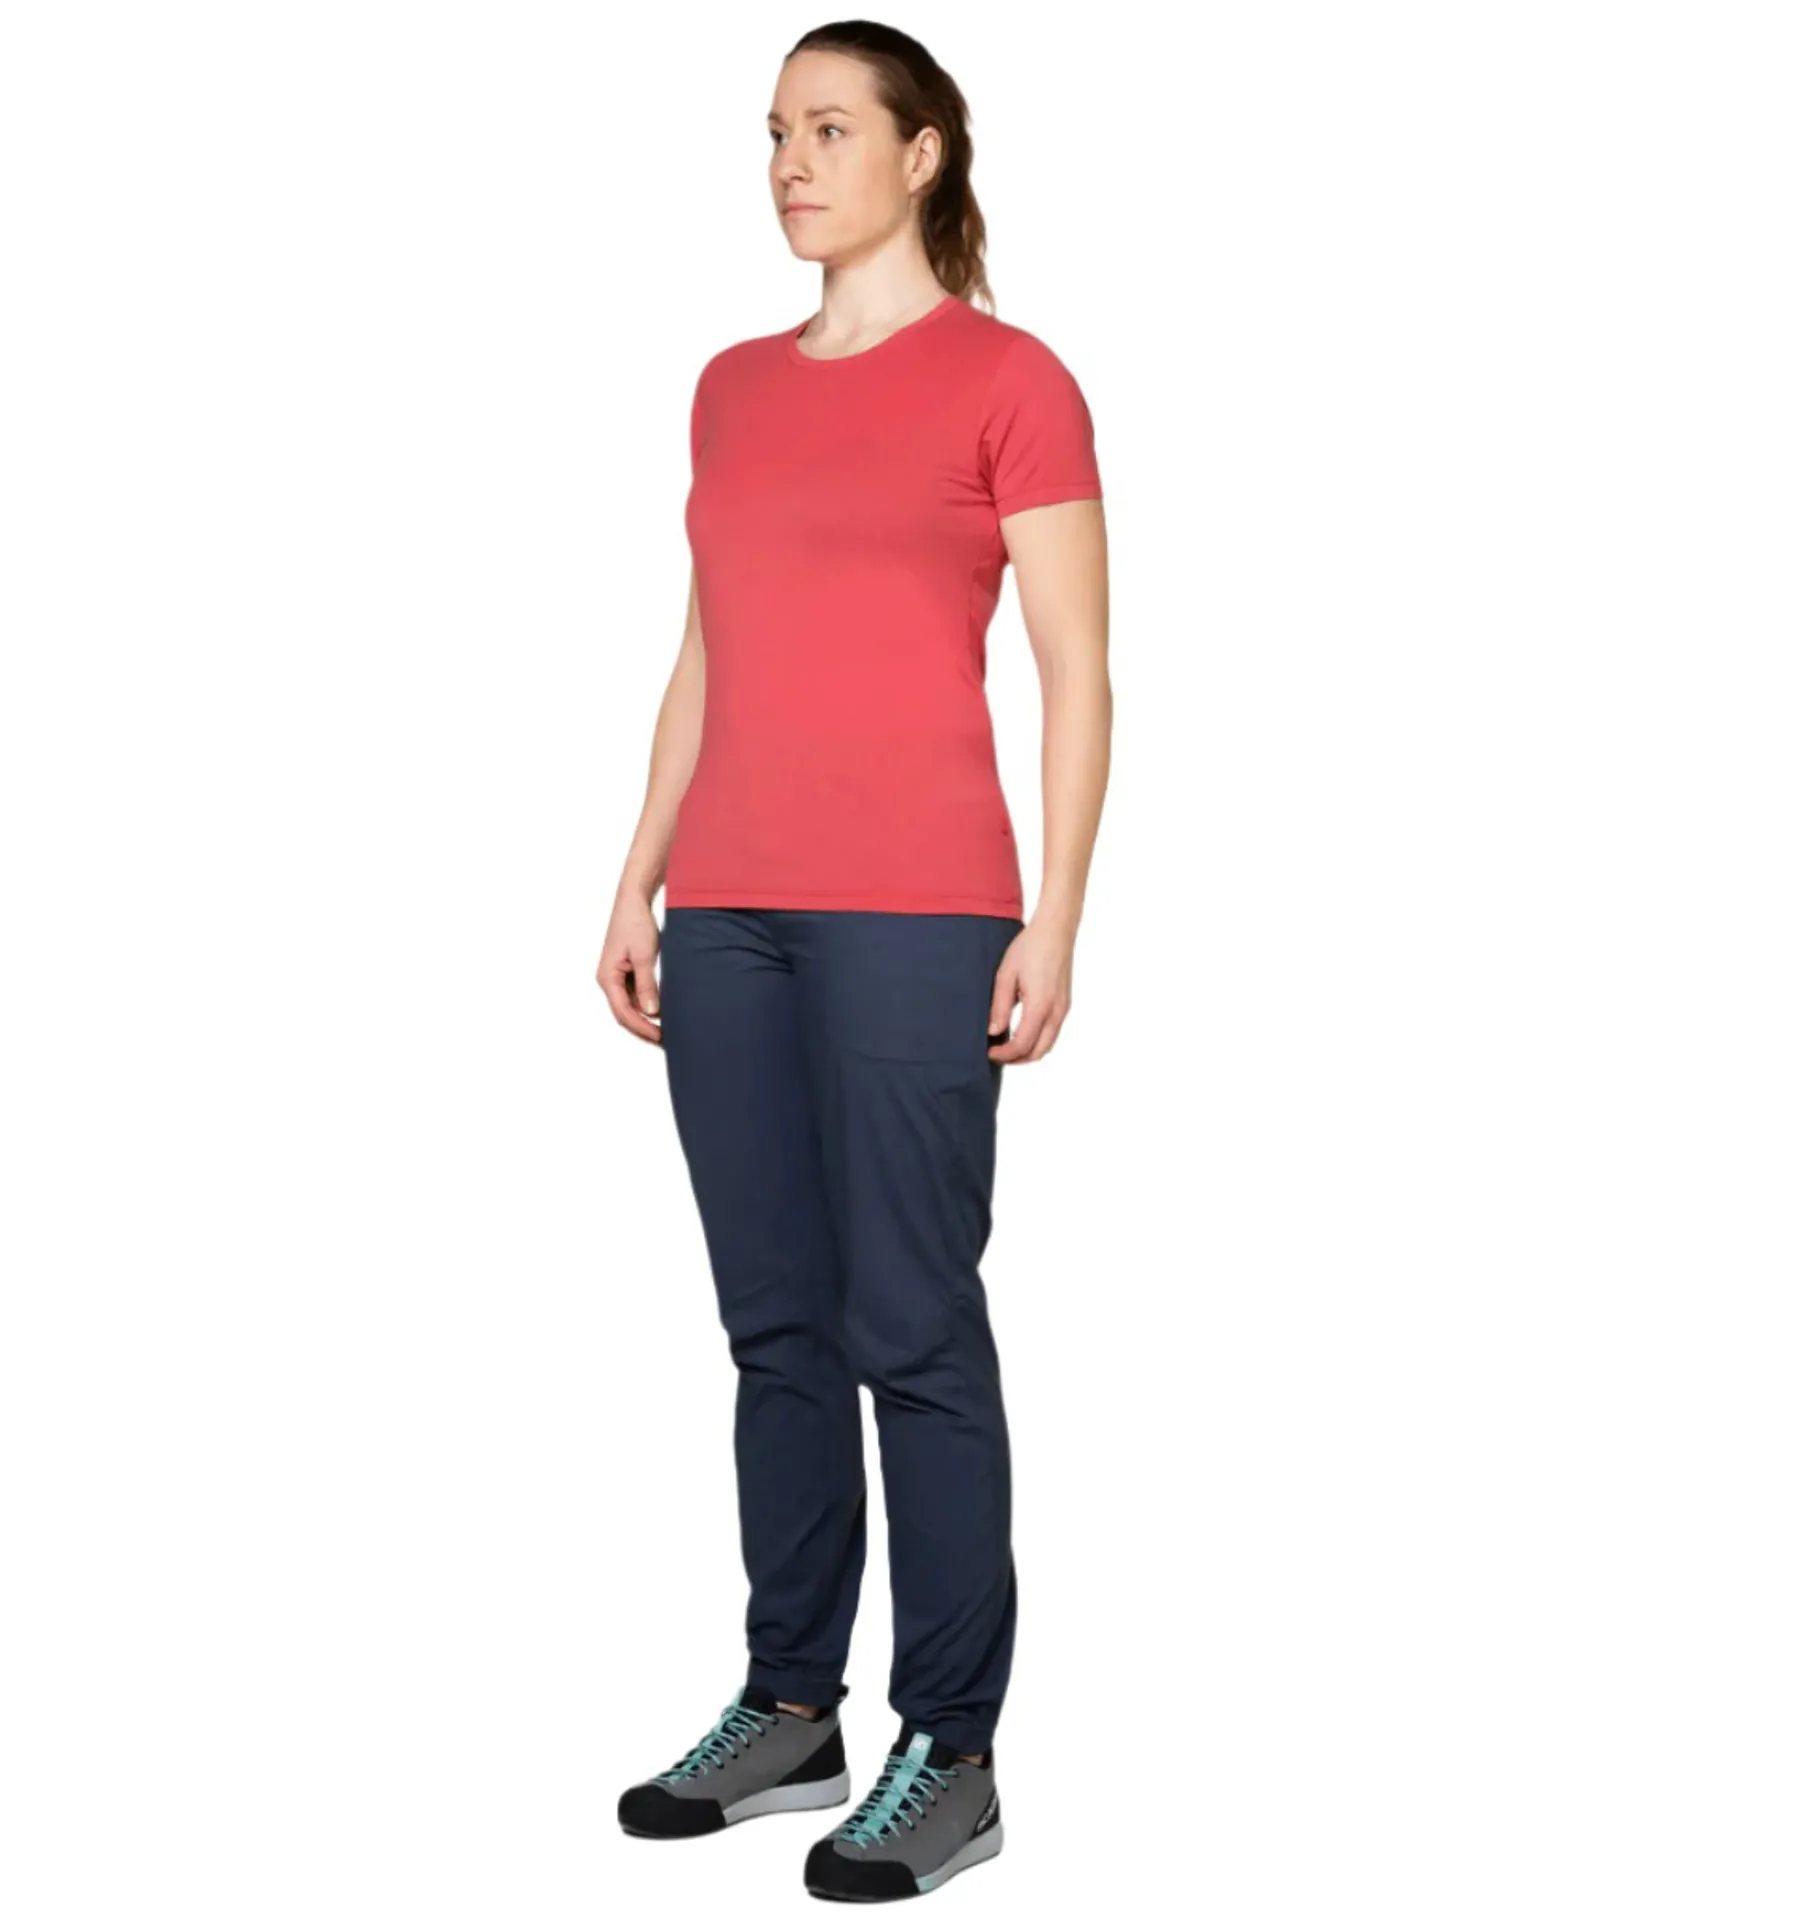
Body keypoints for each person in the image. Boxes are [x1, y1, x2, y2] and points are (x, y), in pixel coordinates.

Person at [595, 21, 1111, 1902]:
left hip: (920, 912)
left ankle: (952, 1750)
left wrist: (1057, 914)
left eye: (829, 129)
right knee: (776, 1328)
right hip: (730, 910)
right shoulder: (730, 390)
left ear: (921, 155)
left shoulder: (1012, 382)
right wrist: (639, 876)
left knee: (914, 1326)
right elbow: (706, 653)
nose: (790, 164)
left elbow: (1078, 672)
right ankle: (790, 1705)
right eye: (775, 133)